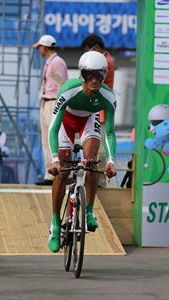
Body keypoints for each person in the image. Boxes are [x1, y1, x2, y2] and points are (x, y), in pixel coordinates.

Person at [46, 51, 117, 252]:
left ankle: (88, 211)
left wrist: (111, 161)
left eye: (99, 75)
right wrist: (54, 160)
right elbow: (53, 127)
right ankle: (55, 224)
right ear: (82, 75)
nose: (94, 80)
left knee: (92, 162)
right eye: (89, 75)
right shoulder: (68, 90)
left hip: (88, 119)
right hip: (65, 123)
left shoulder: (108, 97)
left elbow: (110, 133)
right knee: (64, 170)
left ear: (104, 76)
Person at [33, 34, 68, 185]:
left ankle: (57, 173)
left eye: (40, 47)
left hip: (54, 102)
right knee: (46, 138)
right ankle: (50, 173)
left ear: (45, 47)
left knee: (53, 137)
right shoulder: (50, 62)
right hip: (47, 101)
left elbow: (62, 84)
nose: (39, 50)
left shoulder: (57, 62)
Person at [81, 34, 115, 187]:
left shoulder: (105, 62)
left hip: (100, 109)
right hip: (94, 108)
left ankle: (99, 182)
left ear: (95, 48)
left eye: (88, 51)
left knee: (99, 147)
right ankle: (92, 179)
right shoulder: (105, 59)